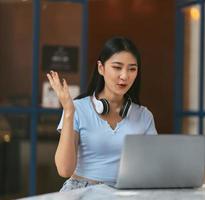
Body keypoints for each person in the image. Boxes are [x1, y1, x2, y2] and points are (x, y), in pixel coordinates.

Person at [46, 37, 157, 191]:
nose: (124, 76)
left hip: (124, 193)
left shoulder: (144, 116)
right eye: (117, 67)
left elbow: (154, 168)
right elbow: (64, 170)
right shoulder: (77, 108)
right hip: (81, 192)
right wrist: (69, 112)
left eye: (132, 69)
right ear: (101, 68)